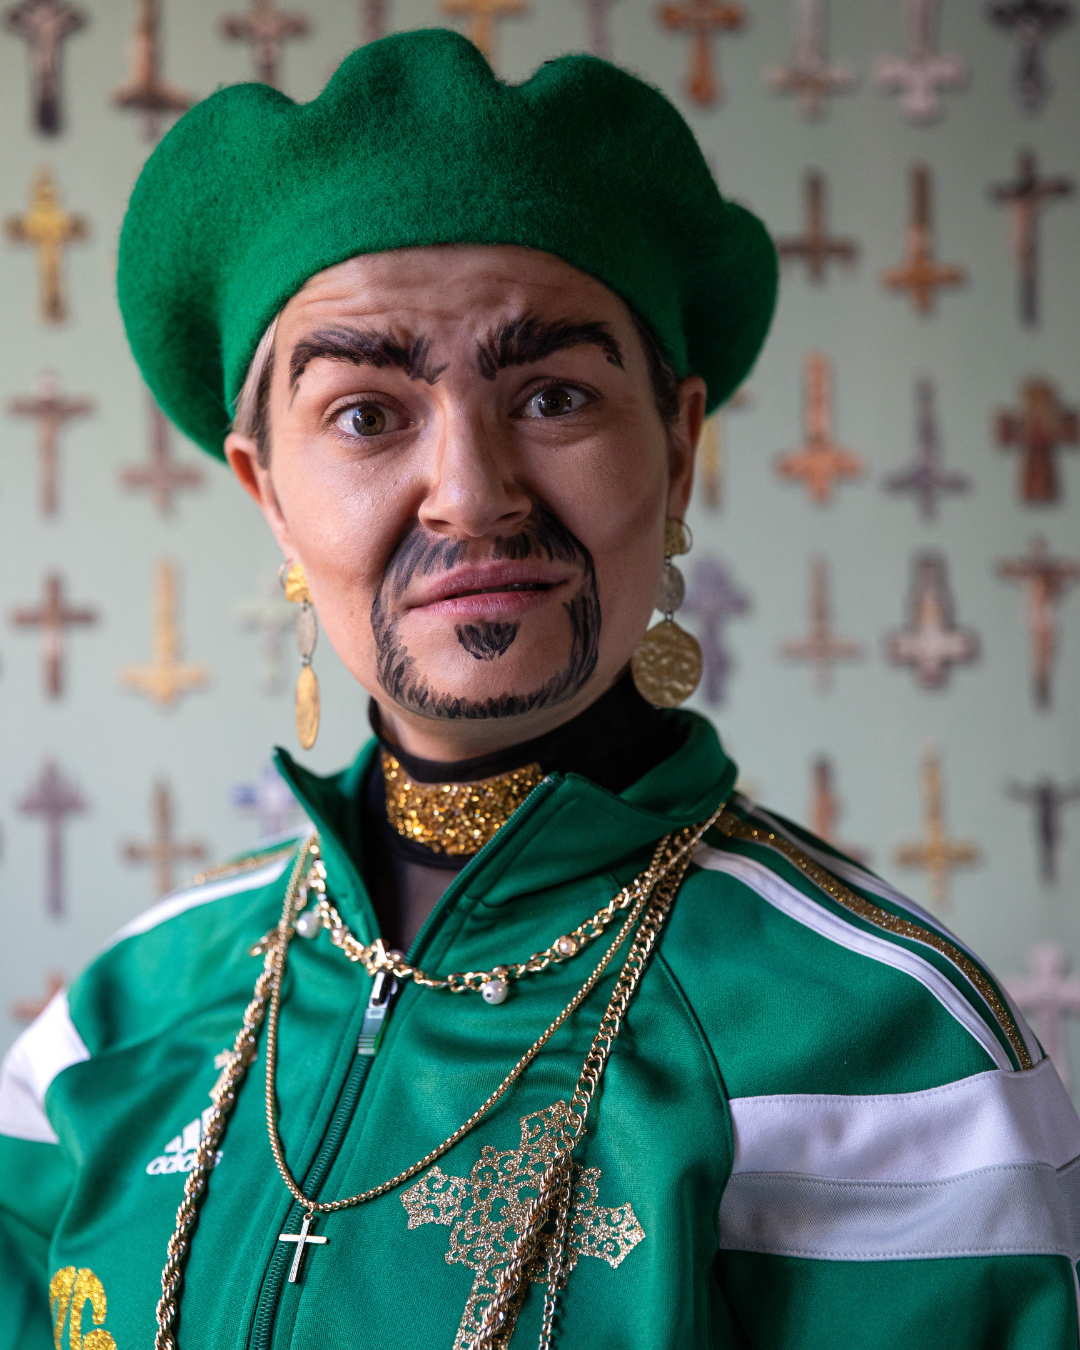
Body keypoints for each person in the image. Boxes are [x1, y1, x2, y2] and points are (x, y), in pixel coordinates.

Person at [1, 28, 1077, 1350]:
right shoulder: (109, 1030)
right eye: (365, 414)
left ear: (676, 449)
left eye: (555, 393)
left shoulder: (892, 1042)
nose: (472, 491)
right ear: (268, 494)